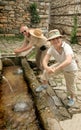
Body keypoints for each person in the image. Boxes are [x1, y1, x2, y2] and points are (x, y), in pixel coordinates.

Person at [36, 29, 78, 107]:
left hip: (70, 69)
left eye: (57, 38)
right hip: (61, 65)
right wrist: (47, 67)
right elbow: (45, 60)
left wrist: (56, 68)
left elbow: (68, 60)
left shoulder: (66, 47)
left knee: (70, 85)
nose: (55, 40)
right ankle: (44, 85)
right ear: (50, 41)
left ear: (61, 38)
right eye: (53, 39)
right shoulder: (52, 48)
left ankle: (72, 98)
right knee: (45, 72)